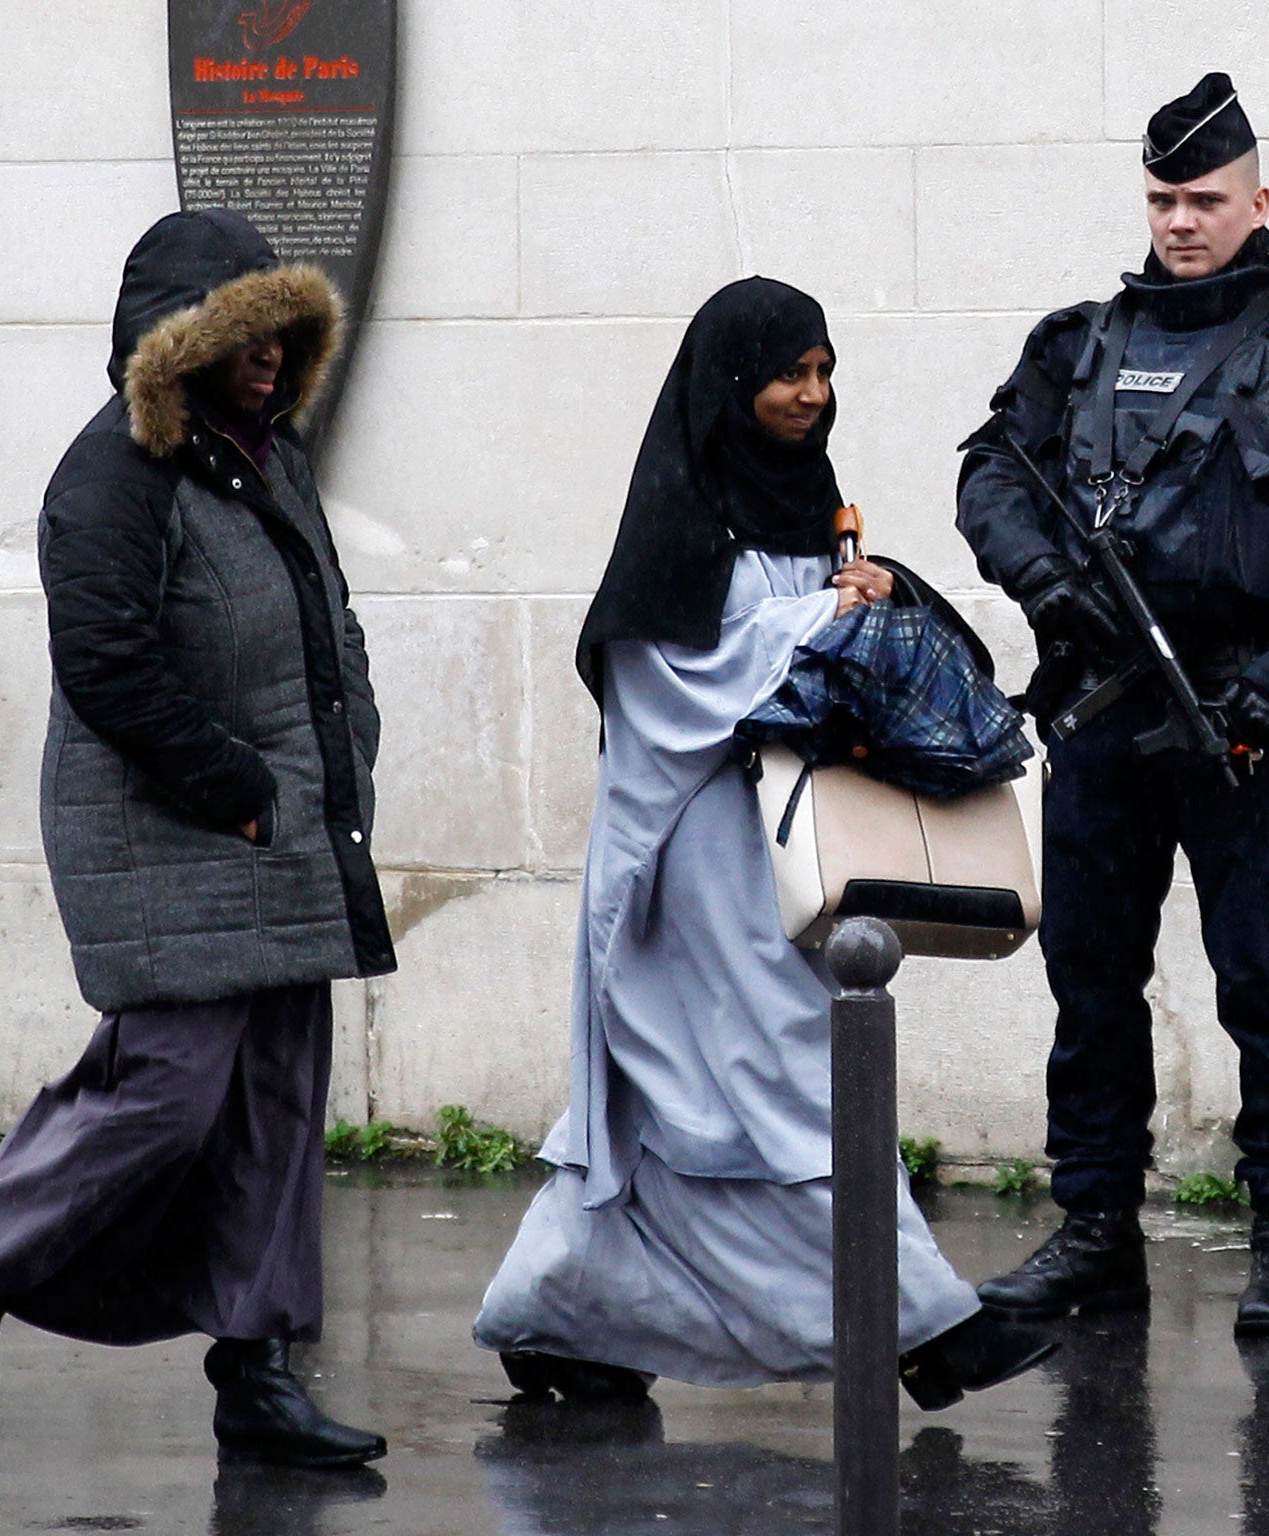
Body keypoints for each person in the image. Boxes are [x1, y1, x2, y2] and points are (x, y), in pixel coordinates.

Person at [473, 276, 1055, 1408]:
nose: (810, 394)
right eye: (789, 373)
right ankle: (922, 1330)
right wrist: (815, 620)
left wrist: (885, 592)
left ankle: (567, 1316)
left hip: (786, 851)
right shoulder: (678, 522)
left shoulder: (807, 498)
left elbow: (840, 654)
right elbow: (666, 686)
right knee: (787, 1078)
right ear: (730, 386)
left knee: (688, 1095)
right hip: (695, 857)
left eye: (824, 371)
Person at [0, 208, 394, 1466]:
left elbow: (323, 620)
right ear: (173, 343)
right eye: (244, 338)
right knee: (169, 1095)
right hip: (174, 828)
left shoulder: (268, 456)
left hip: (278, 821)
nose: (271, 360)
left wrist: (348, 748)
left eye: (282, 336)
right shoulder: (112, 473)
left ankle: (258, 1368)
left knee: (280, 1098)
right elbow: (108, 666)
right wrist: (231, 784)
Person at [956, 74, 1269, 1337]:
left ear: (1255, 200)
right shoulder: (1076, 345)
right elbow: (991, 470)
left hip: (1239, 724)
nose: (1179, 222)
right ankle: (1096, 1230)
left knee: (1266, 982)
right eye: (1160, 198)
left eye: (1203, 199)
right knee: (1087, 983)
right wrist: (1043, 573)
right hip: (1102, 720)